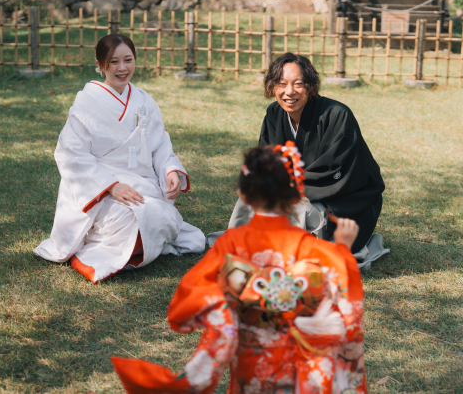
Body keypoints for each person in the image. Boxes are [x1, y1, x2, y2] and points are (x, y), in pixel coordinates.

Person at [111, 143, 367, 394]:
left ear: (243, 195)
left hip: (251, 361)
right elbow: (343, 293)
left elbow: (191, 298)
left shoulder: (231, 244)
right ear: (296, 200)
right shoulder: (316, 250)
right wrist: (343, 247)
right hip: (300, 365)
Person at [33, 34, 205, 283]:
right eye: (113, 62)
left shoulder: (145, 101)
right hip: (101, 189)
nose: (122, 68)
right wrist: (112, 186)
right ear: (100, 64)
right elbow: (70, 153)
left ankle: (132, 250)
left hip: (143, 185)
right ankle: (106, 249)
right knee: (133, 217)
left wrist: (170, 170)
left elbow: (160, 146)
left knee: (158, 215)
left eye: (128, 60)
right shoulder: (86, 104)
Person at [215, 53, 388, 268]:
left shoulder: (337, 115)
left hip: (343, 201)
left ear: (311, 86)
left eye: (298, 84)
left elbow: (337, 171)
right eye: (281, 84)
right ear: (272, 87)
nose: (289, 92)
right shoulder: (273, 114)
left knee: (300, 210)